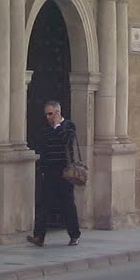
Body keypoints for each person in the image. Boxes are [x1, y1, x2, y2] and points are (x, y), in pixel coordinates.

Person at [30, 100, 81, 247]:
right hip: (49, 171)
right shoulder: (45, 129)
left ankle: (74, 235)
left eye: (51, 114)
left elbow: (66, 140)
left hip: (65, 171)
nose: (48, 117)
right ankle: (39, 236)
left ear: (58, 113)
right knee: (44, 204)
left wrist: (58, 126)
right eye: (46, 114)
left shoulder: (68, 126)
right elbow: (43, 147)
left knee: (67, 204)